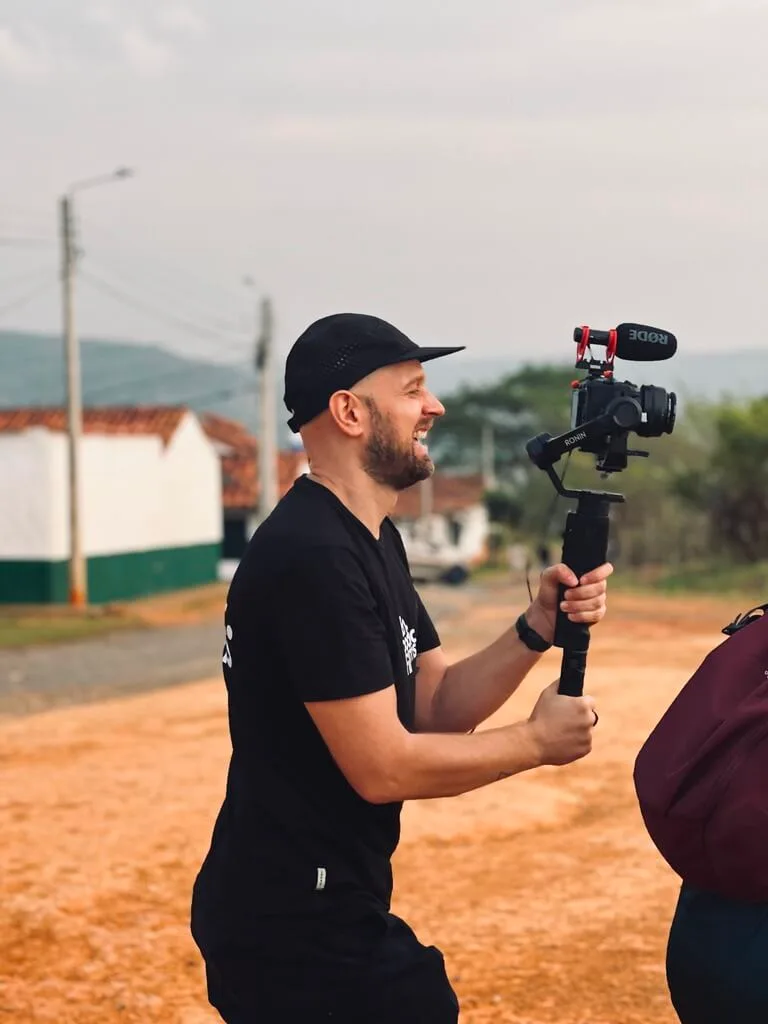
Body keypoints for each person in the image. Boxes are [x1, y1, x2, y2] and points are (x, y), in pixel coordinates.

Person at [190, 312, 612, 1023]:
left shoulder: (369, 537)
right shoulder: (314, 557)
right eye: (413, 390)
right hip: (291, 920)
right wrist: (535, 743)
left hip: (325, 899)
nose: (434, 407)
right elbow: (383, 767)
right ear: (349, 412)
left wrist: (537, 626)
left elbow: (435, 703)